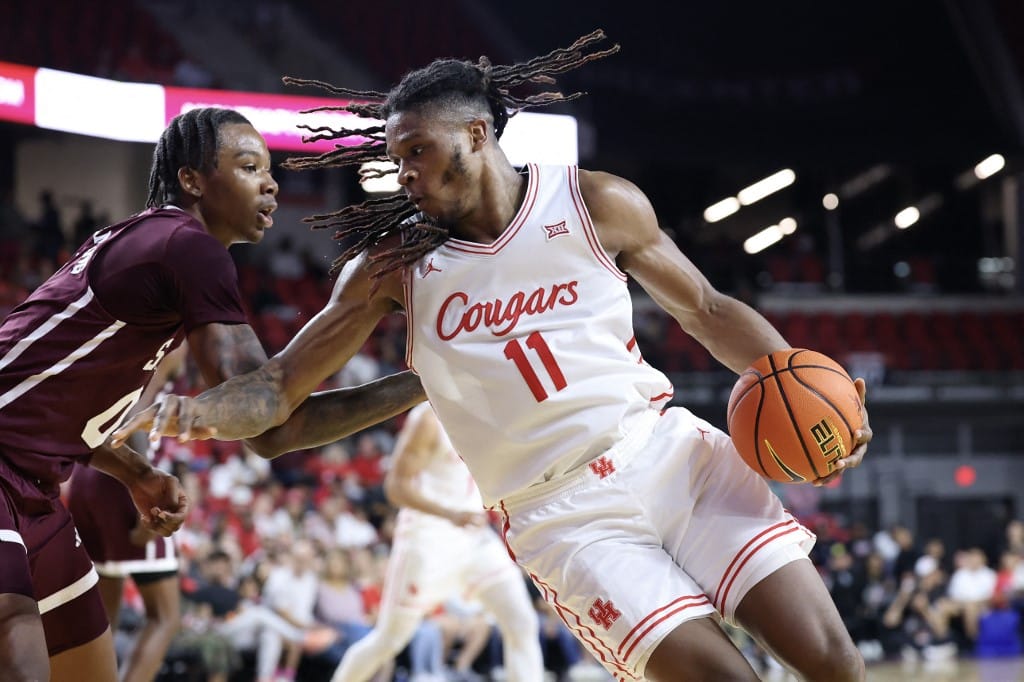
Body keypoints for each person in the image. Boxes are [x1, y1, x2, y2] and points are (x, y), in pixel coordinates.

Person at [118, 31, 873, 681]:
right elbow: (278, 393)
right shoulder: (390, 270)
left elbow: (706, 310)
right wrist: (190, 414)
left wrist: (815, 394)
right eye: (394, 158)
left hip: (669, 454)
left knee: (832, 660)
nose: (403, 172)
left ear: (477, 136)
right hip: (564, 518)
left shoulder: (597, 202)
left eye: (417, 151)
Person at [0, 107, 424, 681]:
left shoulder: (163, 247)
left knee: (86, 665)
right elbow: (272, 423)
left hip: (36, 482)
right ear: (192, 181)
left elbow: (51, 405)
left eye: (269, 169)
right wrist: (429, 378)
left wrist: (136, 474)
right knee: (17, 635)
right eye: (249, 166)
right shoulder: (186, 246)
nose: (271, 182)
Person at [330, 402, 543, 682]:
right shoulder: (429, 419)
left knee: (521, 621)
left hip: (472, 537)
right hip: (427, 540)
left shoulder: (489, 408)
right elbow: (395, 487)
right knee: (389, 640)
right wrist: (451, 513)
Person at [65, 344, 188, 682]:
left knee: (104, 616)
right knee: (164, 616)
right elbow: (134, 417)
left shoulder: (124, 332)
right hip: (126, 480)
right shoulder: (170, 343)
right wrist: (145, 480)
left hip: (90, 476)